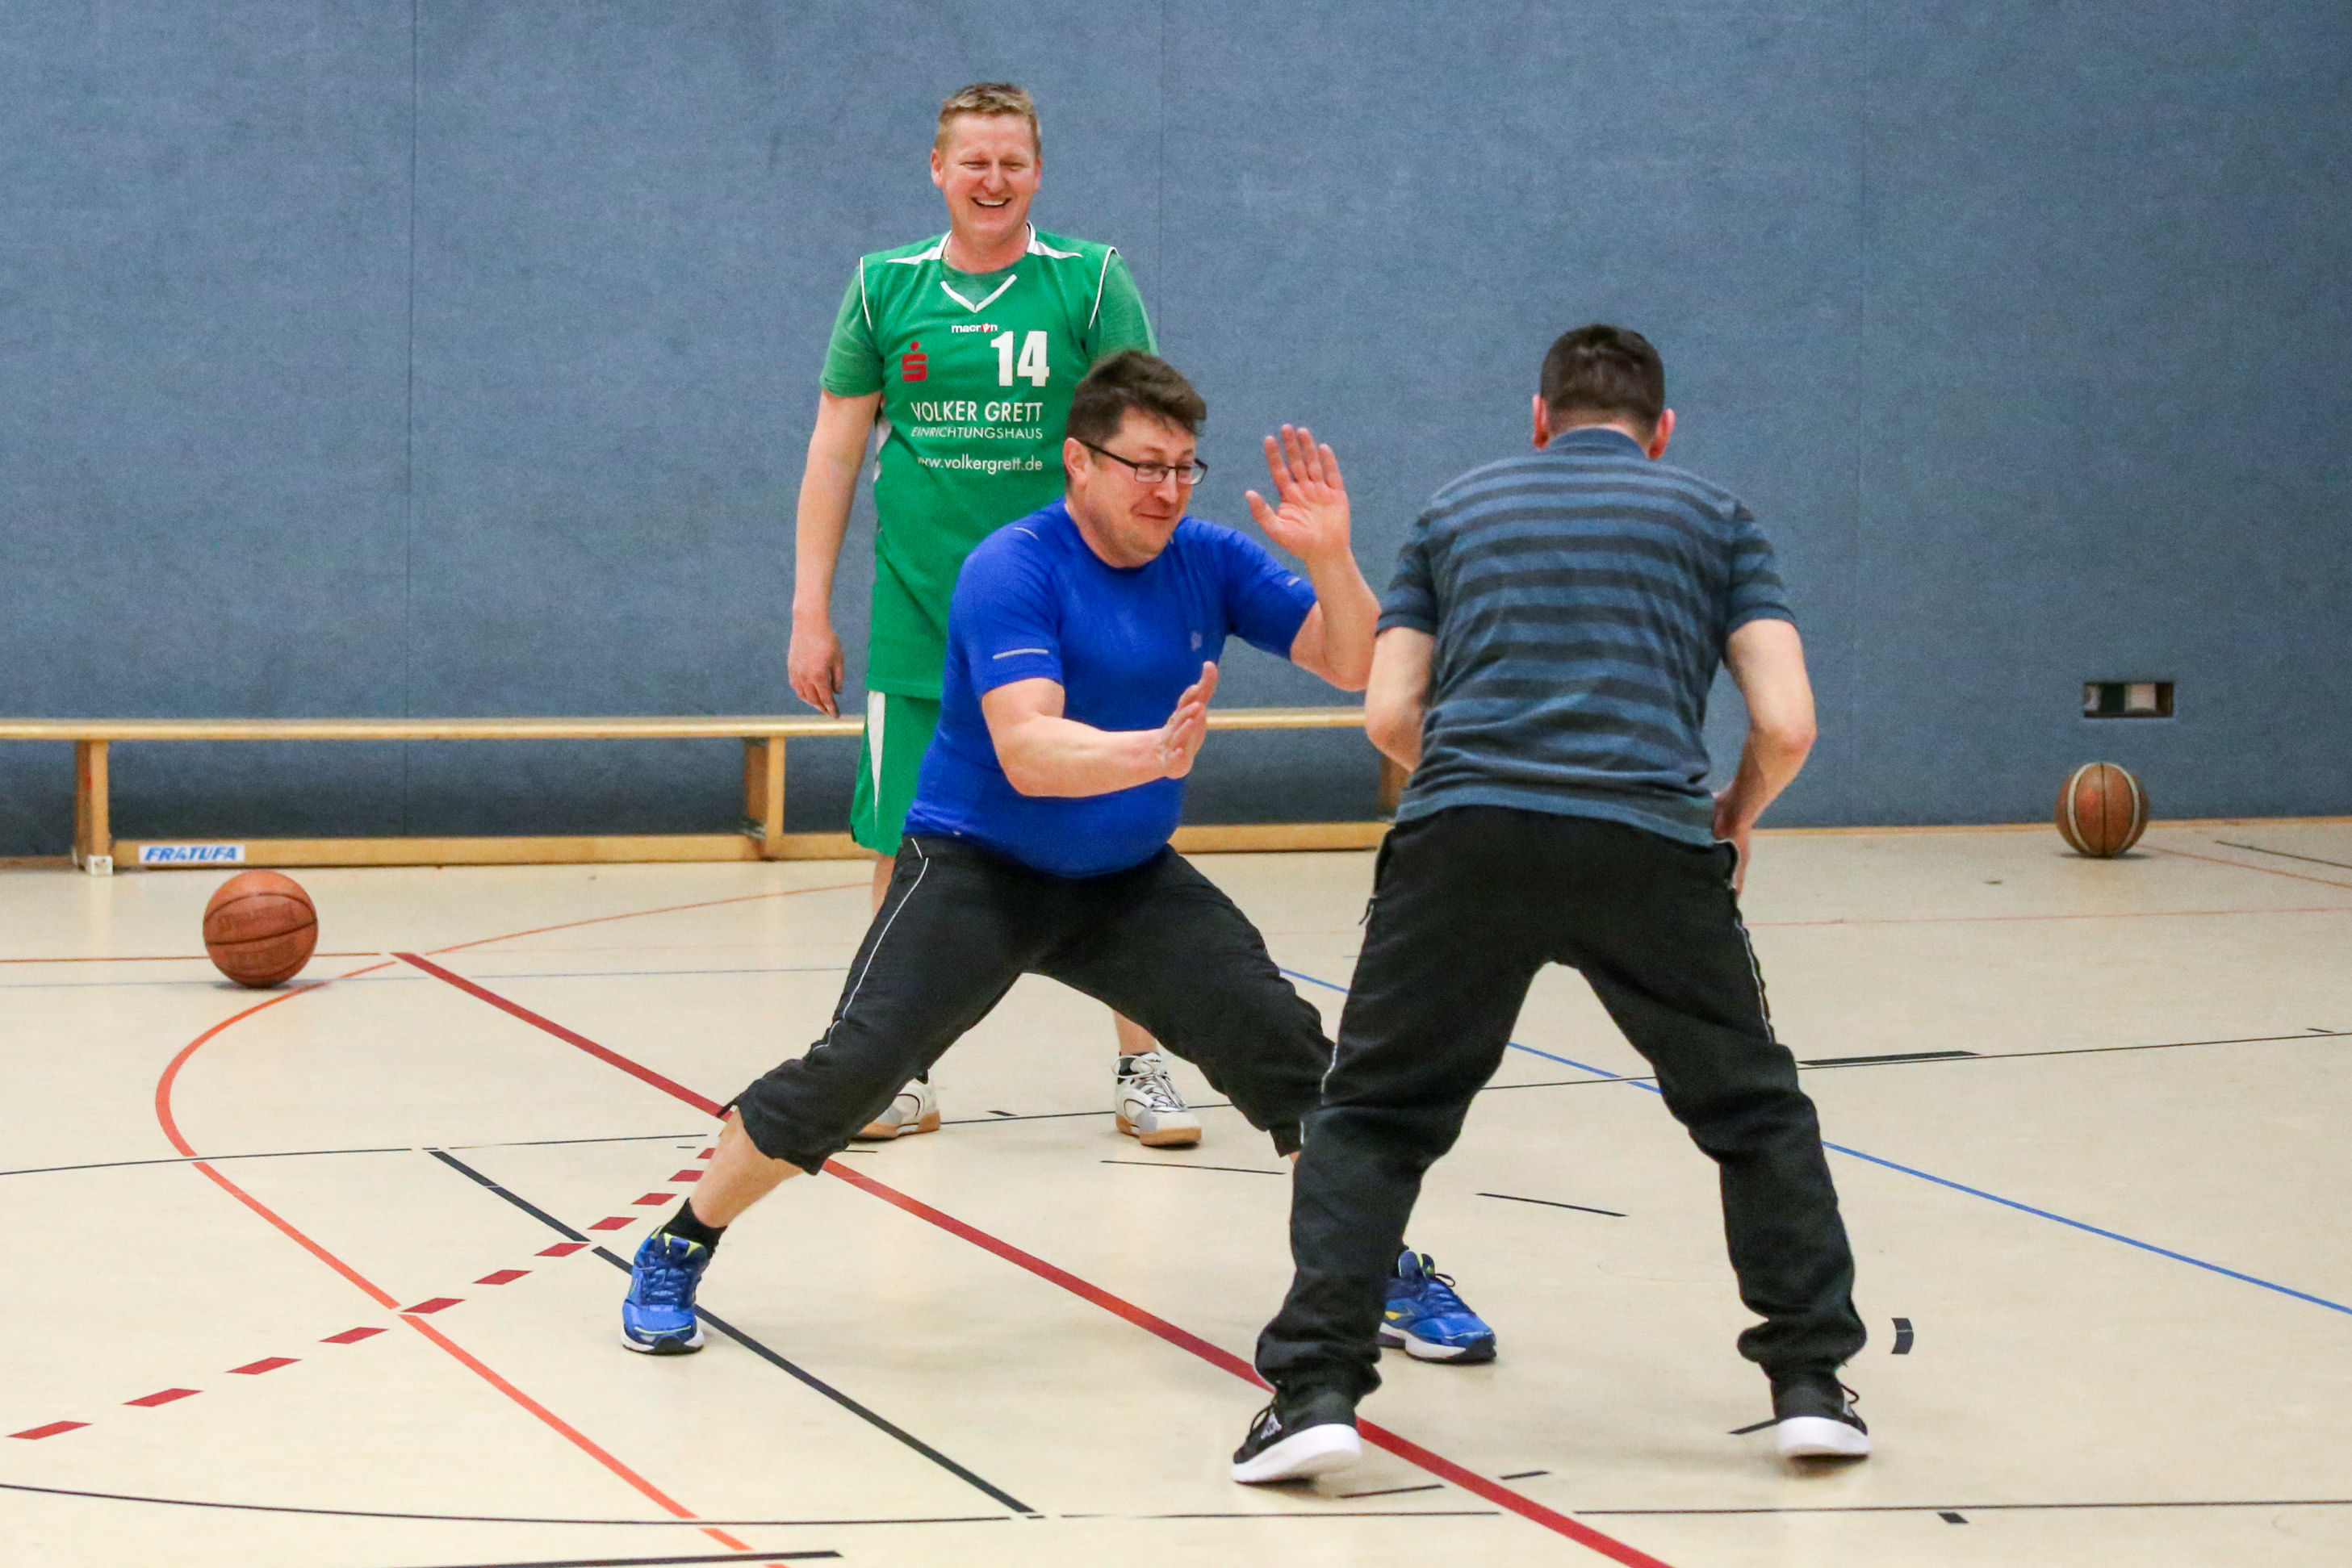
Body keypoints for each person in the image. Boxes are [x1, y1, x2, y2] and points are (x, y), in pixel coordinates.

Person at [623, 353, 1491, 1365]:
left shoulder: (1208, 557)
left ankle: (1375, 1267)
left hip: (1127, 880)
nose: (1167, 488)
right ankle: (679, 1241)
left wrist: (1332, 558)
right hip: (977, 867)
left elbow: (1349, 661)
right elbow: (1028, 751)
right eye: (1144, 465)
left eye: (1183, 466)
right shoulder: (1014, 567)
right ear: (1079, 461)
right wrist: (1150, 754)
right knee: (852, 1071)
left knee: (1298, 1059)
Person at [1232, 325, 1870, 1485]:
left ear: (1539, 419)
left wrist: (1474, 782)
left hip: (1463, 841)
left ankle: (1315, 1390)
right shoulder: (1718, 519)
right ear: (1659, 431)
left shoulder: (1451, 512)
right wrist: (1732, 812)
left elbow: (1388, 715)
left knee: (1372, 1116)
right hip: (1649, 843)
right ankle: (1810, 1382)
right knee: (1751, 1110)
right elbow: (1787, 721)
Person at [787, 82, 1197, 1147]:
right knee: (902, 846)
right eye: (973, 159)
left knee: (1115, 833)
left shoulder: (1088, 280)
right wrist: (808, 608)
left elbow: (1147, 434)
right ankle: (897, 1069)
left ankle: (1144, 1063)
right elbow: (835, 448)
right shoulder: (884, 286)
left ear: (1038, 172)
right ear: (938, 169)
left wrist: (1148, 583)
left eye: (1011, 161)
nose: (992, 179)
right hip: (923, 616)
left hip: (1070, 611)